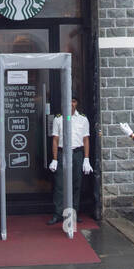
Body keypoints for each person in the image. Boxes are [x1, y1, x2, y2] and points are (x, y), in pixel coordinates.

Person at [47, 95, 92, 225]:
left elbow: (86, 139)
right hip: (62, 153)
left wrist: (86, 158)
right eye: (69, 101)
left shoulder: (83, 119)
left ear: (76, 103)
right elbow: (55, 139)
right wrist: (55, 159)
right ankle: (58, 213)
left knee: (76, 184)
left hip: (77, 153)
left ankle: (74, 213)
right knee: (60, 184)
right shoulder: (58, 119)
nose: (71, 104)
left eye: (73, 101)